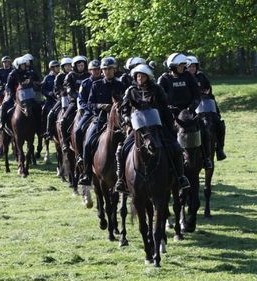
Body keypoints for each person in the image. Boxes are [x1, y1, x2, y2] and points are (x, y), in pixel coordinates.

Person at [114, 64, 190, 192]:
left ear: (148, 77)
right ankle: (121, 180)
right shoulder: (131, 90)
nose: (139, 78)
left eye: (142, 76)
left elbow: (165, 107)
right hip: (138, 128)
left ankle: (180, 177)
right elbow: (125, 108)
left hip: (157, 126)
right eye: (138, 76)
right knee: (122, 149)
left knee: (176, 148)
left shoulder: (157, 89)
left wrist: (168, 123)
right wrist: (127, 118)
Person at [158, 53, 212, 169]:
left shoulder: (188, 76)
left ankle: (206, 158)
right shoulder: (164, 79)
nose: (184, 67)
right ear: (173, 66)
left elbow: (197, 95)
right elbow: (159, 98)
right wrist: (168, 108)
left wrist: (191, 108)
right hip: (171, 115)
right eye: (181, 65)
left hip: (189, 114)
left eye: (183, 65)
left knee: (204, 130)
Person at [78, 57, 126, 186]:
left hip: (118, 121)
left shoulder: (120, 85)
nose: (107, 71)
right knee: (88, 143)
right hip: (100, 119)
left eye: (110, 69)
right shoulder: (96, 85)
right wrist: (101, 106)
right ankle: (87, 174)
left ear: (114, 70)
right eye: (105, 69)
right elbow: (90, 103)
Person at [186, 56, 226, 161]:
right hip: (191, 109)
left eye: (194, 66)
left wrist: (205, 93)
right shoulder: (184, 78)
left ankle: (219, 149)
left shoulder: (201, 76)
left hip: (206, 106)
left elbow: (208, 89)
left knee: (219, 124)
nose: (192, 69)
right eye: (190, 67)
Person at [60, 55, 90, 151]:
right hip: (74, 102)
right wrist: (78, 97)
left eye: (82, 65)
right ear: (75, 66)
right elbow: (69, 90)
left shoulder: (88, 75)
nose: (81, 67)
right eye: (79, 65)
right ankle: (65, 142)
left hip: (88, 102)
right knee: (63, 120)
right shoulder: (70, 76)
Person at [74, 60, 102, 160]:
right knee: (78, 131)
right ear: (90, 71)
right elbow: (81, 101)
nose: (97, 71)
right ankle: (80, 155)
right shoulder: (85, 83)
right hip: (89, 112)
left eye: (98, 69)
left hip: (104, 113)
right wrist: (90, 108)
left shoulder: (105, 81)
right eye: (94, 70)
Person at [44, 57, 73, 139]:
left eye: (69, 65)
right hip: (63, 99)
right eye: (66, 66)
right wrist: (59, 95)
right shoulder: (59, 77)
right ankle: (48, 132)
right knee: (50, 114)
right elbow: (56, 89)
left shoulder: (74, 75)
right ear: (63, 67)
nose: (68, 67)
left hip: (74, 99)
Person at [41, 60, 61, 127]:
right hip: (50, 100)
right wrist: (48, 93)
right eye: (56, 66)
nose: (58, 68)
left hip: (60, 99)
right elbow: (42, 89)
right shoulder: (47, 78)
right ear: (52, 68)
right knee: (43, 110)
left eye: (58, 66)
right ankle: (45, 128)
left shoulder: (61, 76)